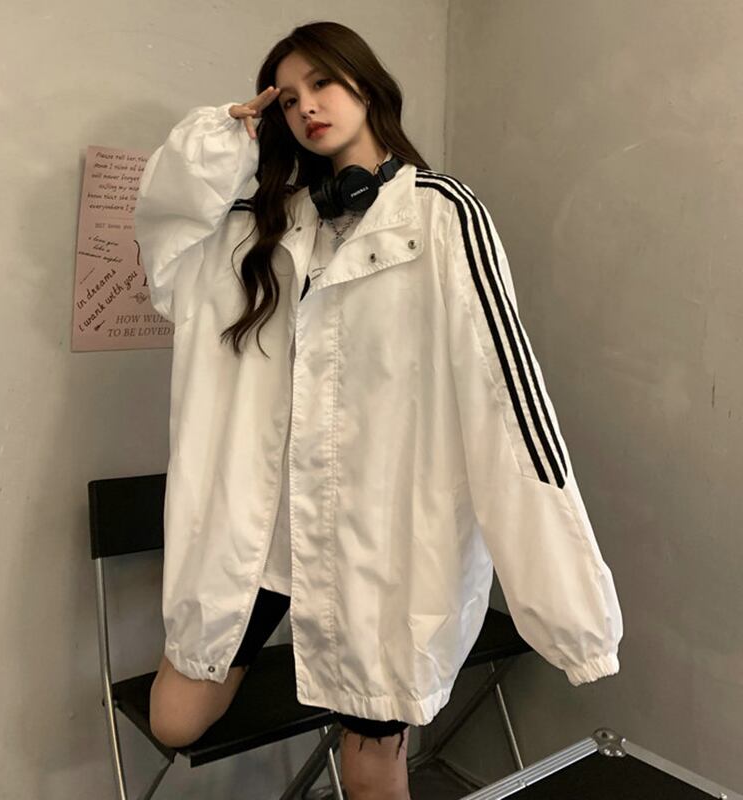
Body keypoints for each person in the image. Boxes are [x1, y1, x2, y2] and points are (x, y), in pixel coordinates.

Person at [134, 20, 623, 800]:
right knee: (175, 719)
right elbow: (165, 245)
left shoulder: (441, 216)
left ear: (366, 85)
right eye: (287, 98)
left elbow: (509, 399)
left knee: (372, 771)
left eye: (322, 83)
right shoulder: (263, 229)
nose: (306, 107)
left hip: (378, 538)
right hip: (262, 531)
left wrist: (572, 611)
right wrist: (219, 146)